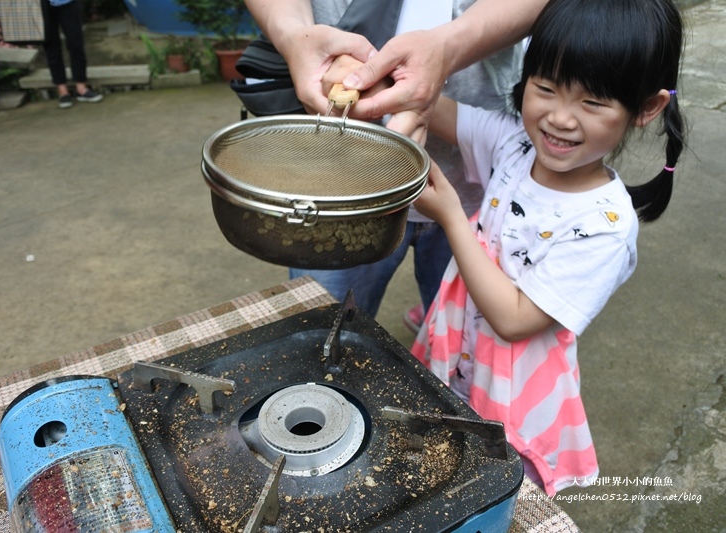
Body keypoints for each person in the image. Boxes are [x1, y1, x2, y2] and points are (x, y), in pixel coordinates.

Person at [410, 0, 685, 495]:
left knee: (495, 487)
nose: (560, 118)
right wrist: (387, 75)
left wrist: (452, 215)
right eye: (545, 89)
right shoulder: (514, 146)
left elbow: (515, 320)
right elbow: (435, 106)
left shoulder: (604, 225)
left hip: (517, 395)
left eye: (593, 102)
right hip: (462, 356)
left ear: (647, 108)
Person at [245, 0, 548, 323]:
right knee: (318, 333)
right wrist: (293, 36)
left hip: (478, 174)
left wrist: (450, 47)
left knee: (466, 341)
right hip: (337, 181)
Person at [40, 0, 102, 109]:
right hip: (42, 5)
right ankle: (62, 91)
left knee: (76, 44)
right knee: (51, 47)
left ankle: (81, 87)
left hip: (68, 3)